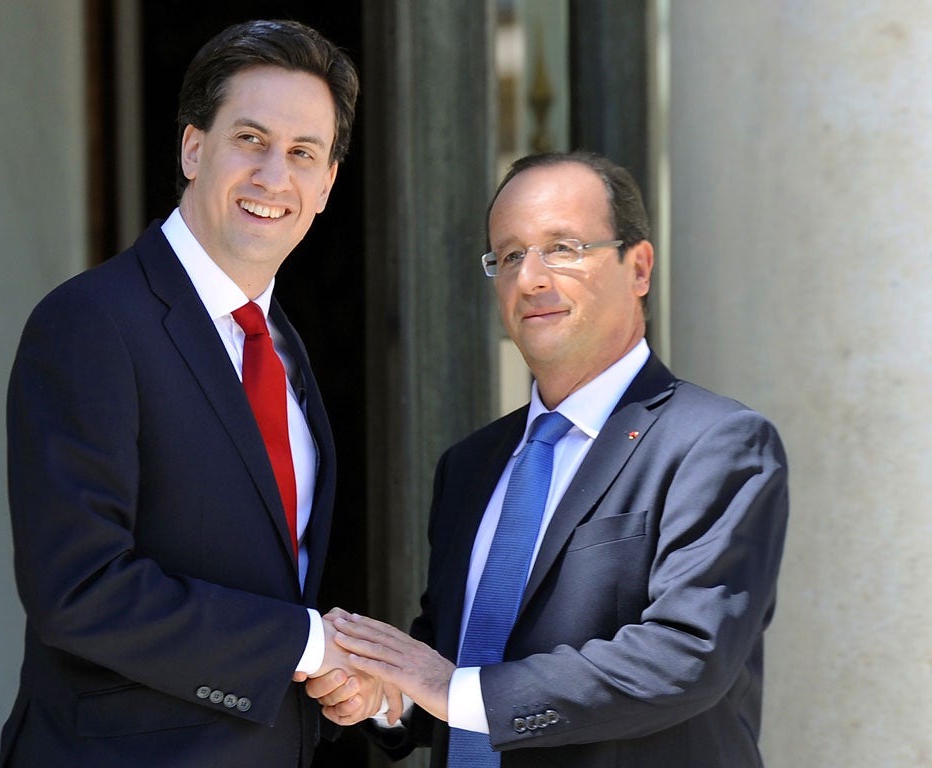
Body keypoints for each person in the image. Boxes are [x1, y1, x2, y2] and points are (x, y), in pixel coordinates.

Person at [309, 150, 790, 767]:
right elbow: (451, 662)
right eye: (509, 256)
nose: (530, 278)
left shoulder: (718, 444)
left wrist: (450, 689)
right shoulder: (469, 465)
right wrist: (387, 693)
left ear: (638, 267)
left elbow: (687, 655)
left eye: (562, 248)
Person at [0, 19, 375, 768]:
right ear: (193, 148)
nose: (275, 175)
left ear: (327, 185)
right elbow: (80, 590)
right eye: (250, 139)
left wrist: (340, 679)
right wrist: (307, 645)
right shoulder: (91, 323)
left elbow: (268, 580)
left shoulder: (285, 348)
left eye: (304, 153)